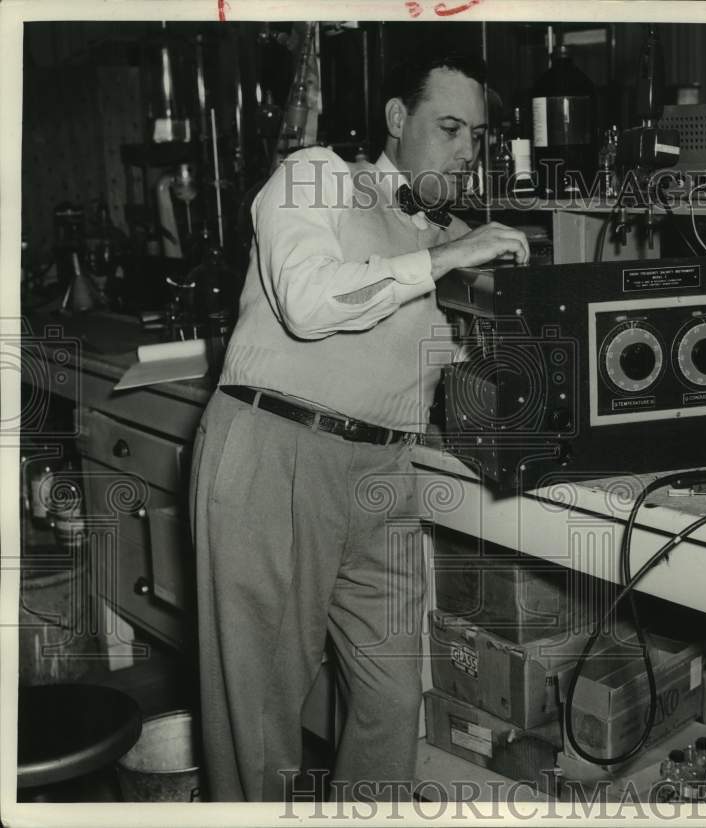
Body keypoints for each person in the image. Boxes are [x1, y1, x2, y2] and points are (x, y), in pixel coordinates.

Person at [189, 52, 529, 802]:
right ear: (397, 120)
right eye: (448, 127)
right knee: (259, 721)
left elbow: (443, 367)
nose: (466, 151)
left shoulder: (452, 239)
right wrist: (446, 257)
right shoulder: (317, 177)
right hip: (276, 449)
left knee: (391, 699)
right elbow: (309, 305)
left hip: (384, 475)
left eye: (476, 135)